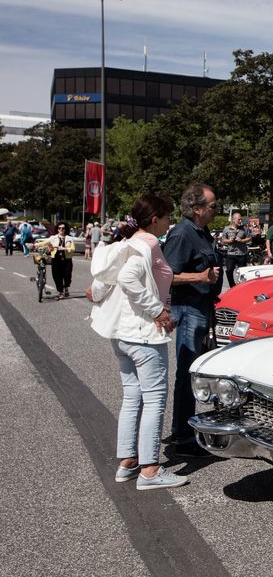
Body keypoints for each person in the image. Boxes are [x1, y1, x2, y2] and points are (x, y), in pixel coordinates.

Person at [88, 195, 187, 489]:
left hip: (121, 333)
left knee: (133, 397)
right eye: (168, 217)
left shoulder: (124, 244)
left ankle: (128, 462)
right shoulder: (149, 243)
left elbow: (99, 286)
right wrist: (157, 311)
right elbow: (131, 279)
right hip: (142, 334)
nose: (170, 222)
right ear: (155, 219)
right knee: (154, 399)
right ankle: (151, 470)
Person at [162, 184, 222, 456]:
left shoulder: (200, 231)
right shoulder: (183, 234)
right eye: (212, 206)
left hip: (203, 308)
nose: (216, 210)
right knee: (187, 372)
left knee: (201, 369)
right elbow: (167, 276)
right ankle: (183, 437)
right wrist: (200, 277)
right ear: (197, 209)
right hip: (188, 309)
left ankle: (192, 428)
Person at [220, 212, 251, 288]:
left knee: (243, 272)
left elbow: (249, 238)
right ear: (233, 220)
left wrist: (241, 240)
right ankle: (232, 286)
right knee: (229, 271)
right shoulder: (226, 228)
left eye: (241, 219)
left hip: (242, 254)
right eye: (239, 219)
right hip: (231, 254)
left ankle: (241, 287)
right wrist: (229, 241)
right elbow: (223, 240)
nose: (240, 221)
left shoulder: (244, 228)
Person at [49, 222, 76, 299]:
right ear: (57, 229)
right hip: (56, 260)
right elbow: (45, 243)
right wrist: (33, 245)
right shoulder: (53, 238)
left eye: (63, 228)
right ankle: (60, 292)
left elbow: (73, 248)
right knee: (57, 276)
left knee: (67, 275)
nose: (61, 229)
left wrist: (65, 248)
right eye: (59, 228)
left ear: (65, 229)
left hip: (67, 260)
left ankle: (66, 287)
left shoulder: (69, 238)